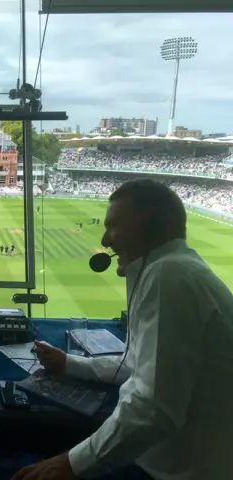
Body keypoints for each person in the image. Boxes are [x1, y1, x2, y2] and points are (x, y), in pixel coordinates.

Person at [13, 179, 233, 480]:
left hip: (177, 471)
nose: (105, 240)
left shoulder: (169, 277)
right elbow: (140, 367)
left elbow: (154, 409)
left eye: (114, 226)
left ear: (155, 225)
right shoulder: (174, 269)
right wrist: (70, 363)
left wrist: (69, 464)